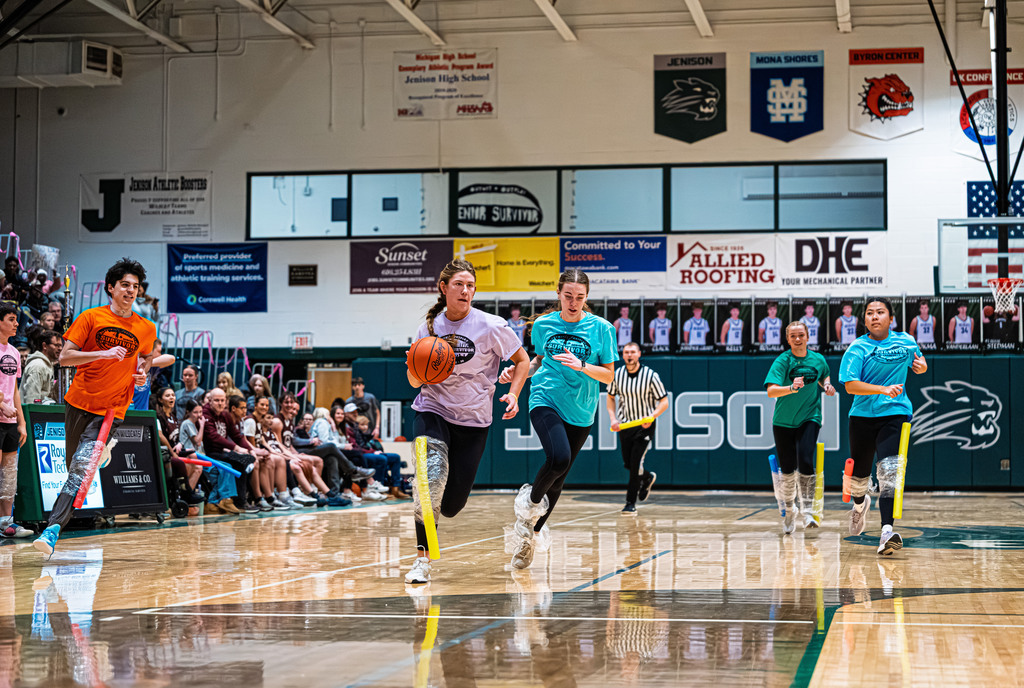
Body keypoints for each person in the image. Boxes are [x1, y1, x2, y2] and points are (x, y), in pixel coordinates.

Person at [405, 258, 529, 585]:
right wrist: (418, 375)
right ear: (443, 288)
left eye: (471, 285)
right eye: (459, 284)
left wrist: (514, 394)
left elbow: (522, 360)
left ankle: (432, 507)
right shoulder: (427, 330)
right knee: (427, 484)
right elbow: (413, 378)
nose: (466, 290)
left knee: (450, 506)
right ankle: (422, 559)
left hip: (474, 421)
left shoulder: (491, 326)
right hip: (431, 410)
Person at [33, 258, 157, 556]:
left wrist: (142, 374)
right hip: (80, 401)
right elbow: (65, 358)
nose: (131, 291)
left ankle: (52, 529)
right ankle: (102, 453)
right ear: (110, 288)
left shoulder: (146, 327)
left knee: (80, 468)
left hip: (113, 409)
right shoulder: (90, 318)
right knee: (72, 466)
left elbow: (147, 359)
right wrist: (102, 353)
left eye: (135, 287)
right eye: (125, 285)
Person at [499, 268, 615, 571]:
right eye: (568, 296)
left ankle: (530, 537)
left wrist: (583, 365)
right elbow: (538, 360)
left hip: (581, 410)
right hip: (545, 397)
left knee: (559, 479)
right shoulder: (544, 324)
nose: (573, 302)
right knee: (559, 459)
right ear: (558, 294)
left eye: (579, 297)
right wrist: (518, 372)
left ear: (587, 297)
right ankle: (526, 509)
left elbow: (609, 375)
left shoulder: (602, 329)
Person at [839, 297, 927, 556]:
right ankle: (859, 506)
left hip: (896, 413)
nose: (874, 316)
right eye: (869, 313)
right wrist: (881, 389)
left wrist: (921, 368)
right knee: (860, 478)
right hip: (863, 416)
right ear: (864, 320)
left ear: (891, 318)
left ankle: (887, 531)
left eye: (880, 312)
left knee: (889, 472)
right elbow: (850, 385)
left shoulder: (906, 342)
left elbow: (919, 364)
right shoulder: (858, 348)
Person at [764, 321, 836, 534]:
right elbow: (771, 391)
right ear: (788, 339)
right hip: (783, 421)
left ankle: (808, 511)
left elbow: (824, 375)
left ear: (807, 336)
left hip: (809, 416)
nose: (797, 339)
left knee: (805, 459)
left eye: (801, 335)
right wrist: (791, 388)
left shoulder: (818, 359)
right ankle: (788, 508)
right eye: (793, 336)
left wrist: (828, 385)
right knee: (787, 470)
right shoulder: (782, 361)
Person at [606, 342, 668, 513]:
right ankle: (647, 477)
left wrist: (653, 416)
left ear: (639, 354)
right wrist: (613, 418)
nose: (629, 355)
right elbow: (610, 397)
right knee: (628, 463)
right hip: (625, 424)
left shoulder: (650, 376)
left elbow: (664, 401)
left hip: (644, 425)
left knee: (634, 465)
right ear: (623, 355)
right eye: (626, 352)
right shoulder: (617, 375)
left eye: (633, 352)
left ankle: (630, 503)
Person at [0, 304, 28, 538]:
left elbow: (15, 389)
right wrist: (1, 404)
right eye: (11, 319)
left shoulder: (15, 352)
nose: (16, 323)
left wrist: (21, 421)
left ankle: (6, 522)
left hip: (10, 421)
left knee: (9, 474)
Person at [129, 338, 175, 411]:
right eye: (158, 351)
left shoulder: (152, 367)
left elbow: (171, 359)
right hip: (126, 413)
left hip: (143, 414)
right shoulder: (129, 365)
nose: (160, 355)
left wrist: (147, 363)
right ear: (150, 351)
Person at [20, 328, 61, 404]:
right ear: (44, 346)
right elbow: (31, 398)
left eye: (61, 346)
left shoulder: (47, 365)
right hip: (32, 414)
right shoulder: (38, 366)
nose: (60, 349)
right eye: (56, 345)